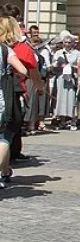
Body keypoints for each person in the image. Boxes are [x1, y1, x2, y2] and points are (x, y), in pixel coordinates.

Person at [0, 18, 30, 189]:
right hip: (2, 96)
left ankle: (5, 171)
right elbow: (23, 70)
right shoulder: (6, 51)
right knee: (4, 136)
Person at [51, 32, 80, 125]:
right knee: (61, 97)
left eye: (69, 42)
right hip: (61, 77)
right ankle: (62, 119)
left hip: (72, 78)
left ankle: (73, 119)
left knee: (72, 97)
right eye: (65, 42)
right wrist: (59, 65)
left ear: (72, 43)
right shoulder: (58, 53)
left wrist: (72, 66)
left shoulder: (77, 53)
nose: (67, 44)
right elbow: (53, 64)